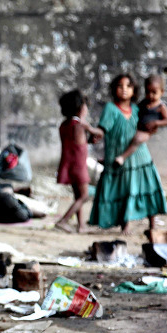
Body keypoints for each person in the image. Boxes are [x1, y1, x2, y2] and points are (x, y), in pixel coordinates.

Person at [88, 73, 167, 234]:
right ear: (114, 89)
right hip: (118, 156)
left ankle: (152, 225)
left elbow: (152, 125)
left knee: (148, 187)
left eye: (128, 86)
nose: (124, 90)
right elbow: (103, 129)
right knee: (123, 190)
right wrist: (92, 133)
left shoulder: (138, 109)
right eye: (120, 86)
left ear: (134, 90)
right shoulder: (110, 109)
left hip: (140, 156)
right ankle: (125, 225)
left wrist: (152, 130)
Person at [54, 89, 103, 233]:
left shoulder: (64, 125)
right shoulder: (81, 125)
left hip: (67, 164)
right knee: (84, 195)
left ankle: (81, 226)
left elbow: (76, 143)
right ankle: (63, 221)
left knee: (78, 195)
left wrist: (88, 140)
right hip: (78, 166)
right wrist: (98, 132)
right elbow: (98, 133)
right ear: (81, 108)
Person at [114, 74, 167, 167]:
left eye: (154, 92)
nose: (150, 95)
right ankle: (112, 157)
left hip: (147, 132)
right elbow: (135, 110)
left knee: (137, 139)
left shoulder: (161, 107)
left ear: (162, 92)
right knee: (124, 137)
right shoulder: (144, 103)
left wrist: (156, 123)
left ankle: (122, 157)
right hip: (137, 128)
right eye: (147, 92)